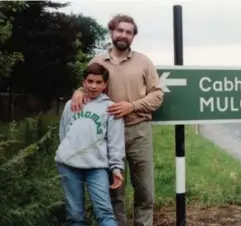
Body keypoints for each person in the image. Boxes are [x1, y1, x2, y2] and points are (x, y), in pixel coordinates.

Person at [69, 14, 164, 226]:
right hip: (107, 135)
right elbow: (88, 86)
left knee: (145, 191)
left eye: (129, 32)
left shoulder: (143, 62)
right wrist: (77, 91)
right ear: (112, 32)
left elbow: (157, 95)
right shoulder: (97, 61)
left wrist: (132, 106)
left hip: (138, 131)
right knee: (114, 191)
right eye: (120, 30)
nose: (124, 35)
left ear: (133, 37)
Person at [55, 62, 125, 226]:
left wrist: (116, 167)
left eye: (99, 82)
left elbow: (115, 141)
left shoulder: (110, 108)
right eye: (90, 81)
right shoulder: (71, 105)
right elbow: (64, 133)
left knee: (105, 214)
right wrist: (66, 152)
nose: (94, 86)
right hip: (68, 166)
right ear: (83, 82)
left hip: (96, 167)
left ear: (105, 85)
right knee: (75, 215)